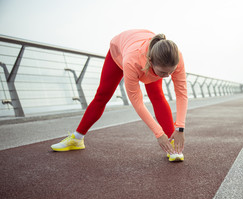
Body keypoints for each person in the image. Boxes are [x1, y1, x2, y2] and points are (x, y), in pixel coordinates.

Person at [51, 29, 188, 161]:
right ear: (151, 62)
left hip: (145, 52)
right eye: (163, 73)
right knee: (102, 95)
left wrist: (180, 128)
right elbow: (137, 102)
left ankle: (172, 146)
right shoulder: (131, 60)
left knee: (157, 95)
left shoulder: (176, 57)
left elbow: (181, 93)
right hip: (120, 51)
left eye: (171, 71)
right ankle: (76, 138)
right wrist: (159, 133)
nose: (168, 77)